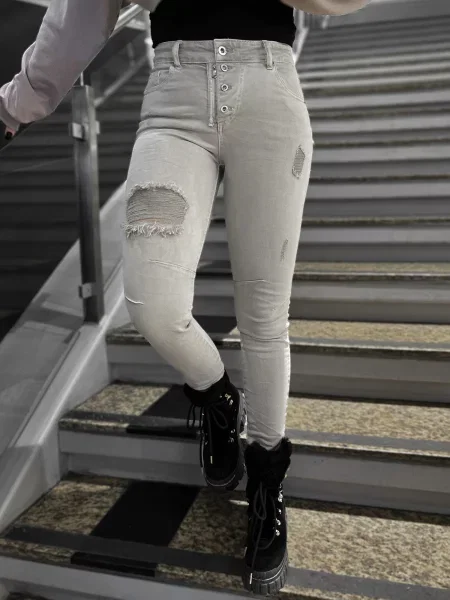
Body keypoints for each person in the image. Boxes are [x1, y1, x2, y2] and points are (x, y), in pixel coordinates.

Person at [0, 0, 370, 594]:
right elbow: (81, 15)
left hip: (268, 86)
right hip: (174, 96)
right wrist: (16, 104)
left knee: (264, 314)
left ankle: (267, 477)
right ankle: (217, 395)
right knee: (152, 302)